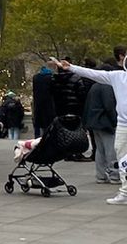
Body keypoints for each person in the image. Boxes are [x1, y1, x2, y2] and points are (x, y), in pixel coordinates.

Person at [53, 49, 127, 202]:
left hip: (120, 124)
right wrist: (71, 68)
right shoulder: (118, 77)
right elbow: (93, 74)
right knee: (121, 158)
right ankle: (125, 192)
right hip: (122, 125)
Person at [84, 68, 120, 185]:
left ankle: (101, 175)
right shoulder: (107, 87)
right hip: (105, 122)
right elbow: (109, 106)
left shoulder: (94, 86)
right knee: (111, 149)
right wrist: (115, 121)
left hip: (94, 122)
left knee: (100, 150)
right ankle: (114, 174)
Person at [31, 62, 56, 138]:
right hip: (50, 105)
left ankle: (38, 139)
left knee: (38, 124)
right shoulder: (52, 78)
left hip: (38, 105)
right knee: (49, 125)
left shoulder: (36, 78)